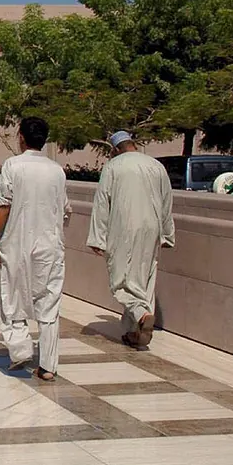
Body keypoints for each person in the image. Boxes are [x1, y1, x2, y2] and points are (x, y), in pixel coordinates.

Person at [0, 117, 69, 381]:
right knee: (48, 304)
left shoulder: (13, 165)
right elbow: (65, 210)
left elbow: (3, 205)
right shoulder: (57, 170)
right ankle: (47, 366)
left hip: (17, 244)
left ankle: (21, 349)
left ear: (21, 137)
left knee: (12, 296)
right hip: (50, 246)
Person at [87, 130, 175, 349]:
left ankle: (141, 314)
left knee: (121, 280)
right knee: (145, 279)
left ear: (115, 149)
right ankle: (133, 332)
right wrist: (166, 233)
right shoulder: (156, 166)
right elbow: (166, 202)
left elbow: (102, 202)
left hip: (123, 228)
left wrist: (98, 238)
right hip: (151, 229)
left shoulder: (113, 167)